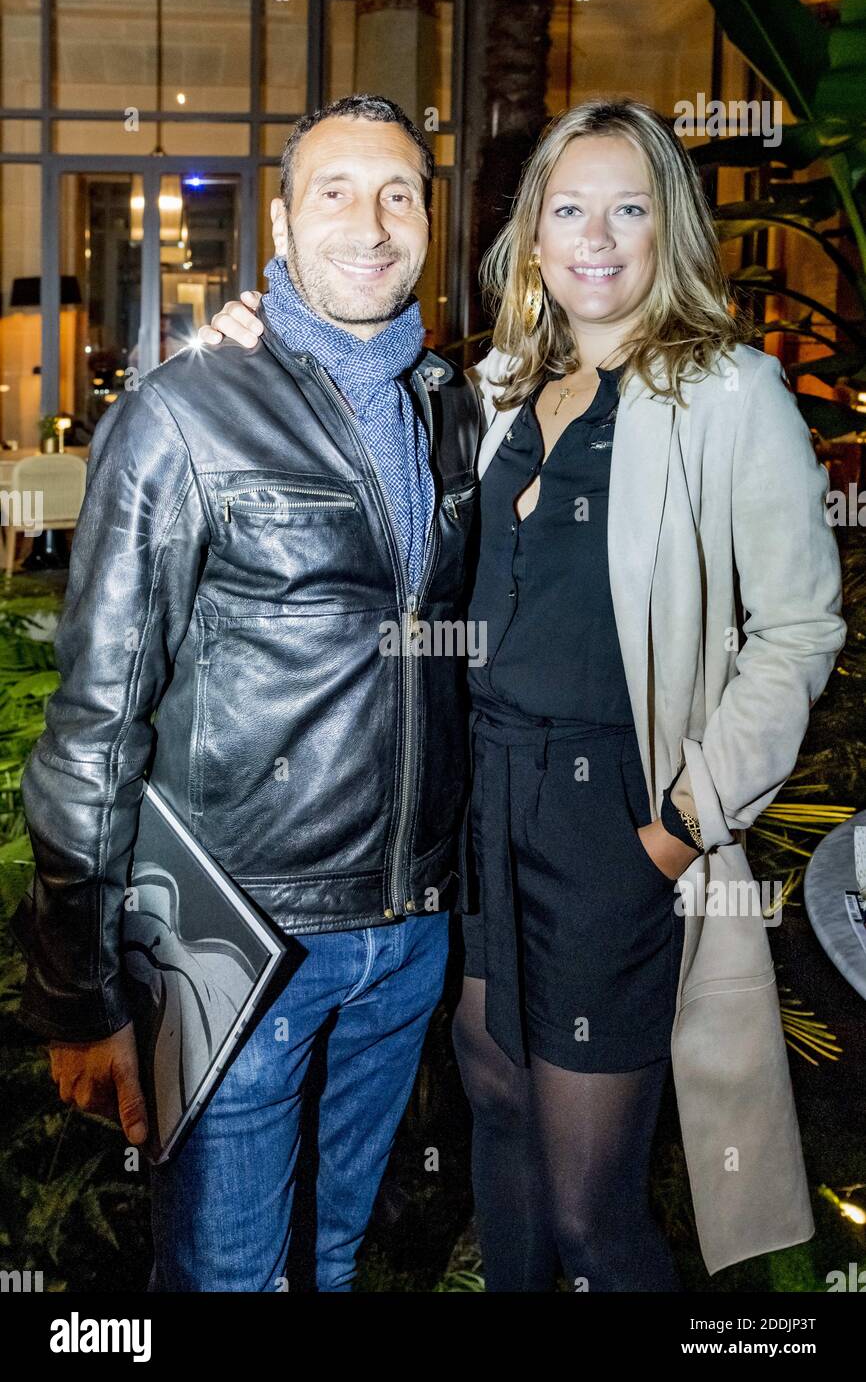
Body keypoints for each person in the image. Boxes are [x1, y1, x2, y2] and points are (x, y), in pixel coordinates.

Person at [204, 97, 847, 1290]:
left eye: (627, 209)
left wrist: (681, 823)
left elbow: (799, 625)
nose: (595, 237)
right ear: (530, 237)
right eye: (567, 209)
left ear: (669, 232)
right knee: (495, 1101)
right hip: (481, 806)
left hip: (618, 816)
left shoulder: (724, 392)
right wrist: (250, 341)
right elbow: (346, 401)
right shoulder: (492, 387)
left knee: (590, 1199)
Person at [11, 93, 482, 1292]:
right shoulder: (180, 418)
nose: (369, 223)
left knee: (327, 1258)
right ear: (279, 219)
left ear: (430, 219)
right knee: (227, 1279)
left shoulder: (454, 411)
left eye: (397, 194)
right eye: (334, 192)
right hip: (240, 940)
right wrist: (78, 990)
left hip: (409, 935)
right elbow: (94, 730)